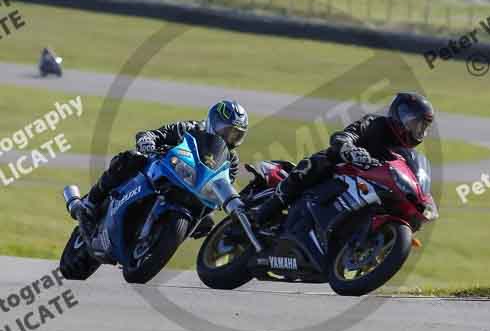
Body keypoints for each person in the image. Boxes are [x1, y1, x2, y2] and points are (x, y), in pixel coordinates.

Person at [253, 92, 434, 226]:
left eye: (423, 127)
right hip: (342, 168)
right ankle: (265, 212)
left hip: (370, 187)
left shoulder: (406, 154)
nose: (419, 131)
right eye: (415, 124)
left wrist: (422, 197)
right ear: (401, 117)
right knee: (315, 165)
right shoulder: (375, 124)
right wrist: (349, 149)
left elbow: (412, 178)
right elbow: (345, 136)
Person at [79, 100, 249, 238]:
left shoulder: (231, 161)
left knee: (207, 223)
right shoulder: (190, 128)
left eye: (236, 135)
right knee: (131, 158)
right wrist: (148, 142)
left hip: (196, 193)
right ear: (214, 122)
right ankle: (91, 202)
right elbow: (156, 135)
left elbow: (225, 186)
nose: (229, 137)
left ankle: (160, 237)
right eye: (226, 130)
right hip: (168, 172)